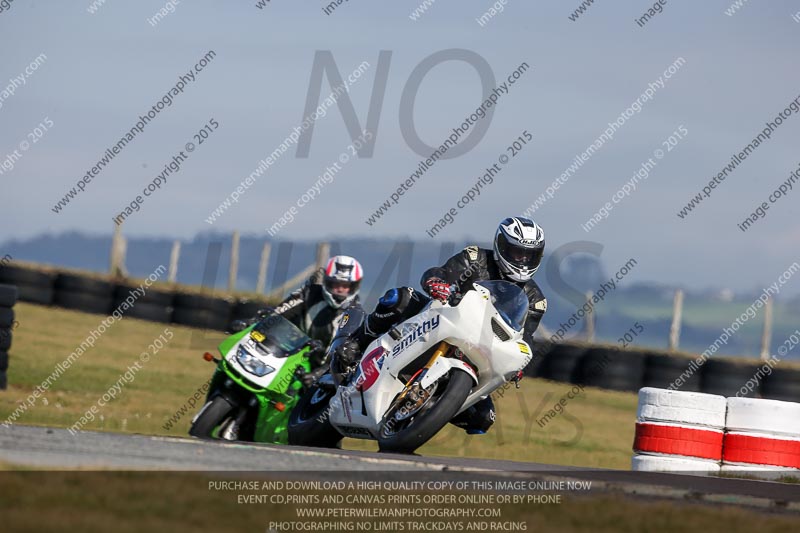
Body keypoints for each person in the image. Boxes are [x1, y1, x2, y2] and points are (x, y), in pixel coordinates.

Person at [330, 217, 547, 434]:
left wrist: (520, 364)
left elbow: (525, 336)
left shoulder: (536, 300)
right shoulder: (476, 258)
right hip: (444, 315)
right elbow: (440, 273)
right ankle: (356, 342)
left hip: (483, 344)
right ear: (500, 245)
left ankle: (425, 410)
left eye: (530, 255)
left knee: (483, 418)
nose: (522, 260)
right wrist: (437, 283)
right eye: (517, 252)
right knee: (400, 298)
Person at [247, 255, 364, 386]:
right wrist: (252, 323)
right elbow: (280, 311)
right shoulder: (309, 292)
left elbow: (345, 353)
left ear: (354, 286)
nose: (340, 289)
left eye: (345, 285)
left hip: (321, 374)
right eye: (336, 283)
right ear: (327, 281)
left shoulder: (356, 315)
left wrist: (319, 373)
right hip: (285, 354)